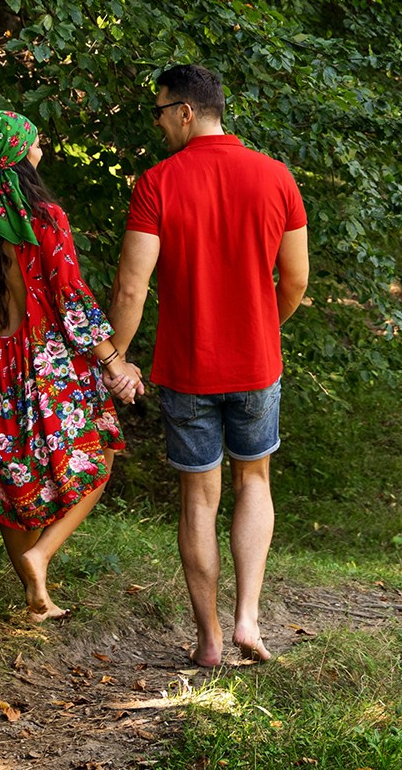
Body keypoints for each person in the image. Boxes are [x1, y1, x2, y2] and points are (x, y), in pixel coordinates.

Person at [103, 66, 308, 668]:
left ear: (187, 111)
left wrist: (114, 355)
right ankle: (248, 619)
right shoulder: (276, 177)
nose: (160, 122)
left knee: (199, 498)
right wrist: (265, 329)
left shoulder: (157, 184)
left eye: (161, 110)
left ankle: (210, 639)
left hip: (187, 367)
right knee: (255, 480)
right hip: (256, 364)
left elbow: (130, 288)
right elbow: (294, 280)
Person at [0, 109, 147, 623]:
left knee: (14, 479)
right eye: (34, 141)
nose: (41, 147)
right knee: (100, 455)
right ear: (17, 154)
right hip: (45, 359)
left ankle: (35, 597)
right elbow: (69, 295)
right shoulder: (44, 217)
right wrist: (113, 361)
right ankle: (41, 555)